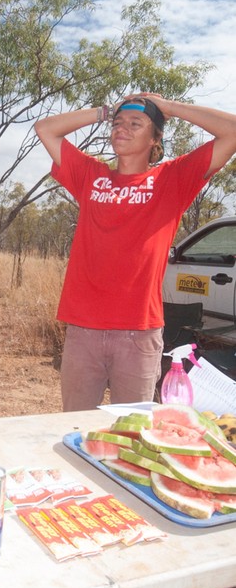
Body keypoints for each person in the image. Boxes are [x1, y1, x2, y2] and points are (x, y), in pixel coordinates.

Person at [35, 94, 236, 411]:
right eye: (117, 124)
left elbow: (232, 131)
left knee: (133, 436)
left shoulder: (172, 179)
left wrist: (170, 108)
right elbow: (46, 128)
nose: (121, 129)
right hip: (83, 331)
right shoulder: (91, 176)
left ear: (155, 138)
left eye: (134, 123)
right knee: (73, 427)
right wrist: (105, 111)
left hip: (138, 334)